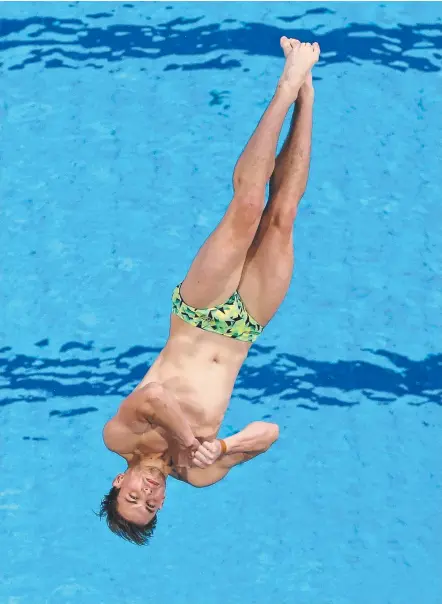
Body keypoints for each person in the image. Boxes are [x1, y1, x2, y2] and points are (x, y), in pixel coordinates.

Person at [100, 37, 320, 545]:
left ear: (119, 480)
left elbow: (153, 395)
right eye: (151, 506)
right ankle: (308, 94)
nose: (148, 494)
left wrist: (183, 439)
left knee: (246, 209)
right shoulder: (197, 473)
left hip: (197, 314)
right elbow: (269, 433)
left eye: (132, 497)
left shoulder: (119, 439)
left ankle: (285, 86)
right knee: (283, 215)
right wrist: (219, 449)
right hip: (246, 327)